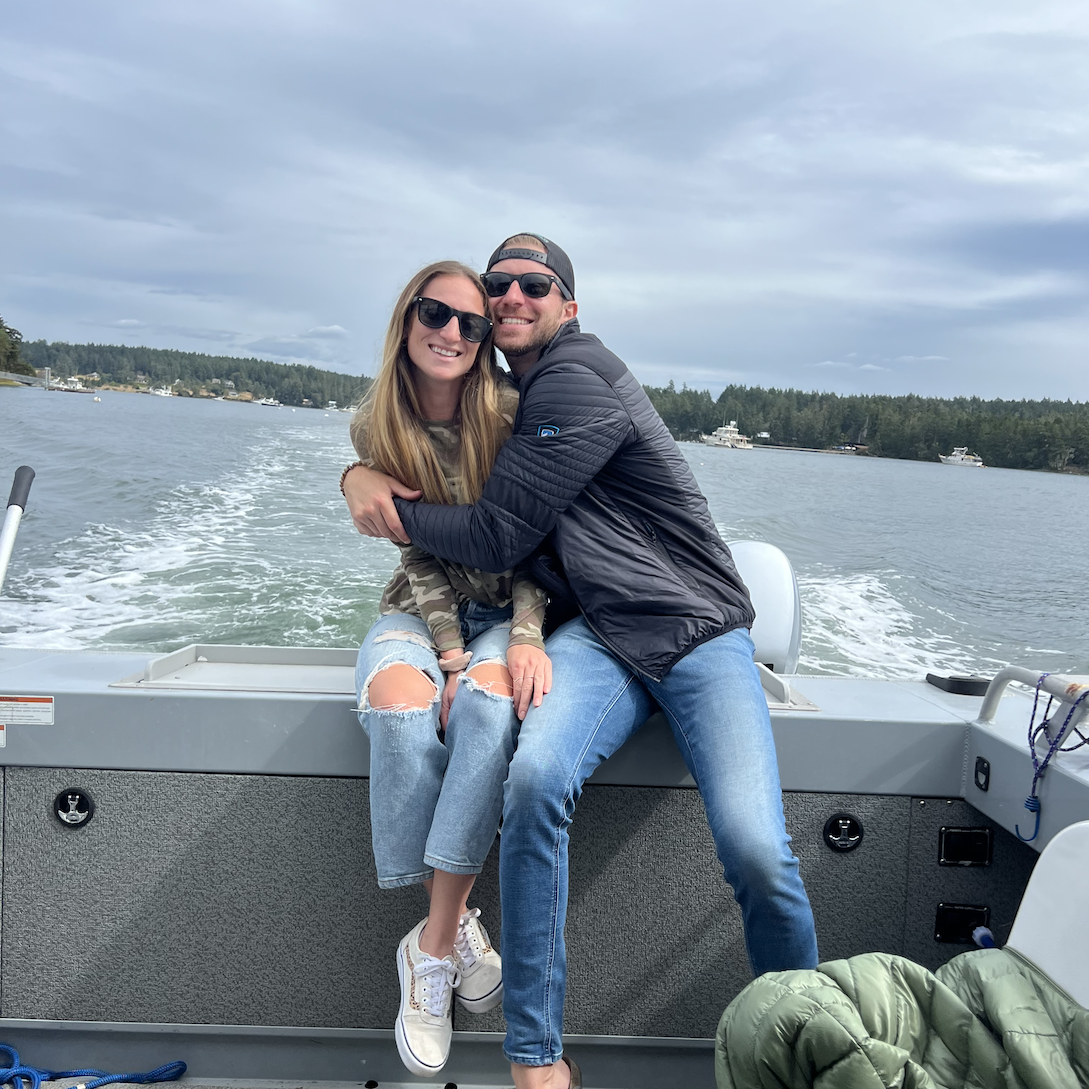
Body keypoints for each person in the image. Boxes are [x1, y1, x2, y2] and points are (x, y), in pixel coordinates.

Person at [343, 235, 819, 1089]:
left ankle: (808, 1051)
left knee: (755, 846)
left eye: (537, 284)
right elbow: (434, 431)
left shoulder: (572, 378)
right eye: (500, 286)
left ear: (568, 305)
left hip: (693, 632)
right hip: (598, 636)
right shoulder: (508, 392)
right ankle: (536, 1060)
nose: (513, 296)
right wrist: (356, 469)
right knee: (534, 783)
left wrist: (386, 509)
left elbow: (498, 533)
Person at [345, 259, 552, 1080]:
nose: (453, 333)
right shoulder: (377, 430)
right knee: (399, 708)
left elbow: (543, 544)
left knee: (489, 711)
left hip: (510, 610)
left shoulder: (508, 413)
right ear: (408, 317)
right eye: (437, 313)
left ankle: (429, 948)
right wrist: (450, 655)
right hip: (424, 609)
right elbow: (420, 555)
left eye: (471, 323)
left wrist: (521, 637)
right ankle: (458, 924)